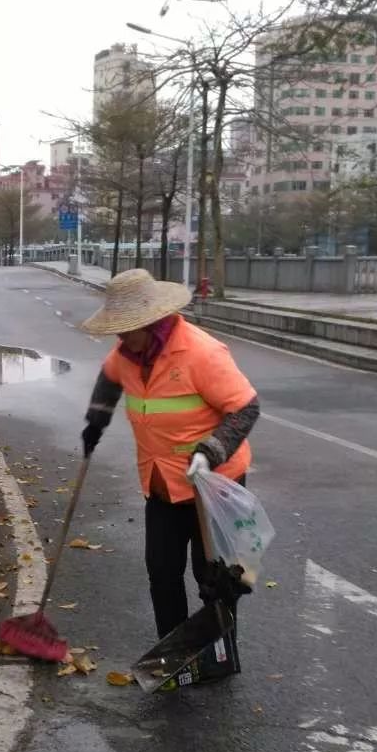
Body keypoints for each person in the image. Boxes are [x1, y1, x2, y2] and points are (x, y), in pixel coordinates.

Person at [79, 267, 260, 640]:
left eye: (128, 329)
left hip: (213, 484)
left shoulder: (201, 352)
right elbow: (109, 379)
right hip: (161, 483)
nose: (121, 337)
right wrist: (96, 422)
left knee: (213, 575)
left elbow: (246, 408)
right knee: (161, 570)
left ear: (153, 320)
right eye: (118, 329)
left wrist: (211, 450)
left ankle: (218, 649)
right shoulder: (126, 353)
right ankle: (174, 649)